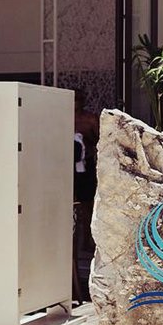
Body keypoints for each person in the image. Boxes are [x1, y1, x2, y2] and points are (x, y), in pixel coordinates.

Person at [73, 89, 98, 255]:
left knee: (87, 205)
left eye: (78, 99)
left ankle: (88, 240)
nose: (75, 102)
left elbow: (100, 141)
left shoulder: (90, 119)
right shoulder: (61, 117)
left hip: (85, 165)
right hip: (65, 165)